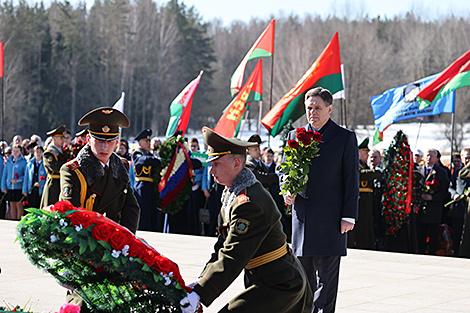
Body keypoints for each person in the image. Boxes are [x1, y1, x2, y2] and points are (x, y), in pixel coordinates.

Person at [180, 127, 313, 313]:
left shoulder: (248, 203)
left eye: (216, 163)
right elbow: (221, 247)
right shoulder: (231, 194)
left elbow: (234, 255)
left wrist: (201, 293)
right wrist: (201, 282)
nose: (211, 170)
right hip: (267, 279)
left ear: (236, 163)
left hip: (281, 284)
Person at [283, 87, 358, 313]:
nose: (312, 112)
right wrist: (286, 187)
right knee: (304, 279)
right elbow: (283, 170)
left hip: (331, 219)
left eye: (317, 108)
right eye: (309, 108)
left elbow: (351, 179)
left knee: (326, 280)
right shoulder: (294, 136)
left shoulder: (344, 138)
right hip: (303, 218)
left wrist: (348, 216)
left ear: (330, 109)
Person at [60, 107, 141, 313]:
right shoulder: (73, 170)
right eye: (99, 140)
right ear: (88, 139)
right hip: (84, 250)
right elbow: (71, 214)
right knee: (83, 304)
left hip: (113, 250)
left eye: (110, 141)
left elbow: (131, 207)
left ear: (117, 142)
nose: (104, 147)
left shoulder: (121, 166)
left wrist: (125, 242)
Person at [415, 148, 450, 255]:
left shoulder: (442, 172)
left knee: (433, 239)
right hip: (421, 210)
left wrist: (433, 197)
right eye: (427, 155)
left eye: (432, 156)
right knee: (420, 237)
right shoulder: (418, 171)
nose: (429, 158)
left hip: (434, 211)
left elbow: (445, 192)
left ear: (436, 158)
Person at [348, 138, 381, 250]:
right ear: (358, 153)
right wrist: (376, 173)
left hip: (366, 199)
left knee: (366, 226)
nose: (367, 155)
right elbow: (360, 175)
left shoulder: (364, 165)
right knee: (360, 226)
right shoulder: (355, 164)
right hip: (360, 199)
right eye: (365, 152)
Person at [131, 128, 163, 232]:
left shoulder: (150, 154)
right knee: (143, 214)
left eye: (149, 141)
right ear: (140, 143)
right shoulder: (137, 154)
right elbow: (143, 161)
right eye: (146, 141)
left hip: (151, 188)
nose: (149, 143)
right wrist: (157, 160)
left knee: (151, 214)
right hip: (142, 187)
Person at [449, 148, 470, 257]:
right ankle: (457, 255)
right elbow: (450, 187)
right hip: (459, 209)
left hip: (469, 210)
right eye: (465, 158)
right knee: (458, 235)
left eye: (469, 158)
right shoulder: (458, 172)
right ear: (461, 158)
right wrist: (455, 195)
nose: (467, 160)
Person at [40, 125, 67, 208]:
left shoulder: (62, 151)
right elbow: (55, 167)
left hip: (61, 182)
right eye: (60, 138)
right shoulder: (49, 153)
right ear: (54, 138)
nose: (63, 140)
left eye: (63, 137)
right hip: (53, 183)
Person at [2, 144, 27, 220]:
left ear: (20, 152)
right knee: (12, 204)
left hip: (19, 187)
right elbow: (4, 175)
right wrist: (3, 186)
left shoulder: (23, 162)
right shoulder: (8, 162)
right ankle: (13, 221)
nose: (15, 152)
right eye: (14, 151)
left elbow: (25, 176)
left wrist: (18, 180)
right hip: (10, 187)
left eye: (17, 151)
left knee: (19, 204)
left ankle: (19, 221)